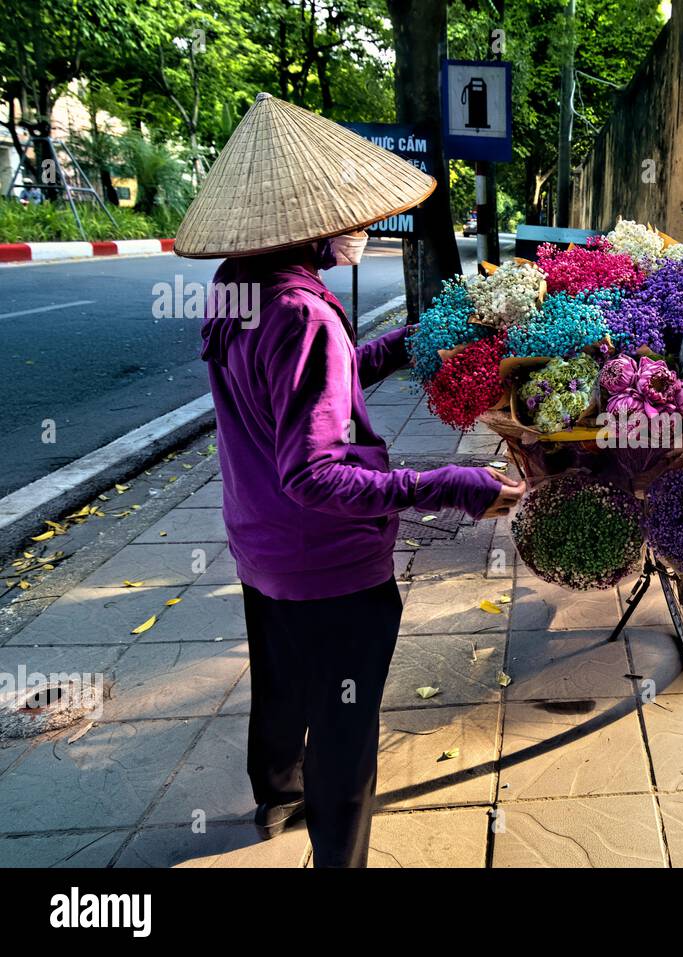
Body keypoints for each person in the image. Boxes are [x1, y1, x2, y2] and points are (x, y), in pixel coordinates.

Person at [174, 93, 524, 867]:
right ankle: (337, 852)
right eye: (351, 213)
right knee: (344, 726)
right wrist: (450, 483)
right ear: (309, 223)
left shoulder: (243, 283)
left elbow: (303, 394)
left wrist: (408, 342)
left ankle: (276, 794)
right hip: (329, 565)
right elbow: (315, 471)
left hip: (260, 547)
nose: (365, 224)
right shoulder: (303, 313)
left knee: (280, 683)